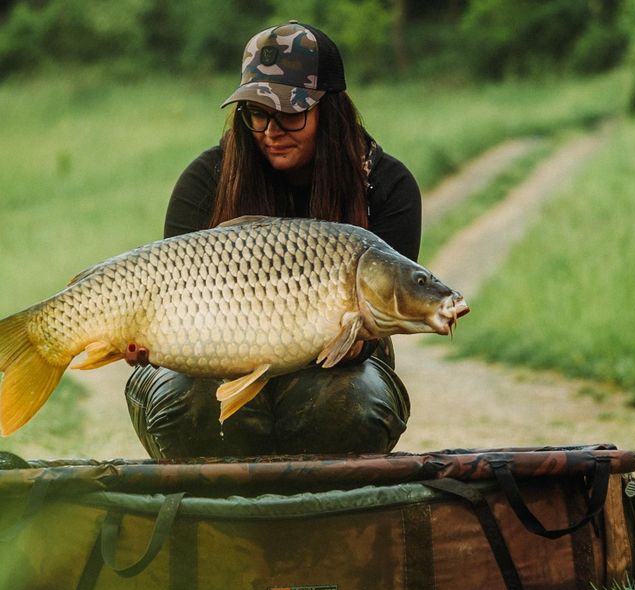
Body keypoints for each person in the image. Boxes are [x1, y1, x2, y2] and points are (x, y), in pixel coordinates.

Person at [124, 20, 422, 460]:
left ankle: (322, 521)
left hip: (340, 366)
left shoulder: (386, 184)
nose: (270, 131)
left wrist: (361, 339)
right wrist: (151, 342)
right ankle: (213, 523)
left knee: (348, 405)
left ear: (330, 109)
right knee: (187, 403)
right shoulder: (207, 179)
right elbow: (173, 301)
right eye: (256, 113)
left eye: (291, 113)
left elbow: (381, 322)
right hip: (209, 362)